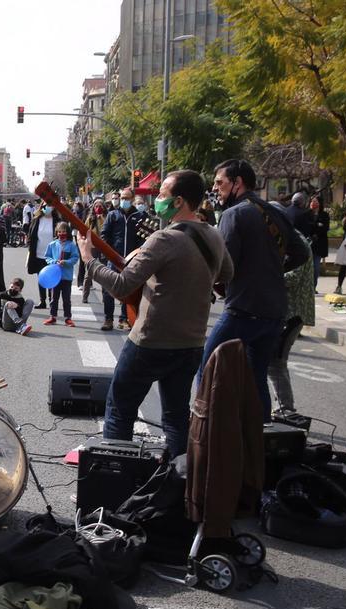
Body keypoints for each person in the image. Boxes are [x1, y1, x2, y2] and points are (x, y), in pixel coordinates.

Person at [80, 170, 234, 456]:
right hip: (191, 343)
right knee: (176, 416)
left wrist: (89, 260)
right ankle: (180, 479)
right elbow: (227, 272)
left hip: (151, 341)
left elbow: (122, 285)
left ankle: (118, 474)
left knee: (119, 408)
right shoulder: (212, 235)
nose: (157, 200)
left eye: (162, 195)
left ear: (178, 201)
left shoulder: (164, 239)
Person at [202, 159, 309, 420]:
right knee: (256, 377)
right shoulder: (273, 211)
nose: (216, 189)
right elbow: (301, 253)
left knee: (207, 370)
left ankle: (205, 433)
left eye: (220, 183)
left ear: (237, 183)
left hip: (243, 309)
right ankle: (262, 437)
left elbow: (224, 265)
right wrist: (271, 272)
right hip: (274, 311)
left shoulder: (233, 214)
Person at [268, 231, 315, 411]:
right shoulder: (290, 239)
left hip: (291, 312)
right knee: (273, 362)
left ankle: (285, 409)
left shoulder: (295, 242)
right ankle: (283, 408)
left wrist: (263, 275)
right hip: (287, 311)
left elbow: (293, 277)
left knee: (275, 362)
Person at [99, 187, 146, 330]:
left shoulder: (139, 216)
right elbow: (104, 235)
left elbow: (144, 238)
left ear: (132, 199)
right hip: (113, 259)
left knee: (129, 290)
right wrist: (108, 252)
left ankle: (124, 319)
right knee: (108, 289)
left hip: (131, 260)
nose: (124, 200)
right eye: (122, 198)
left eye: (127, 198)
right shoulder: (113, 215)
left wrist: (138, 254)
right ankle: (108, 319)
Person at [42, 223, 80, 327]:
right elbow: (47, 257)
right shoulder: (52, 244)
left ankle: (68, 318)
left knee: (66, 299)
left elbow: (75, 258)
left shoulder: (71, 245)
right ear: (56, 233)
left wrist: (66, 262)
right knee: (54, 298)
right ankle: (52, 316)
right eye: (59, 231)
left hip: (66, 277)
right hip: (55, 277)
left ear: (67, 232)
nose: (61, 233)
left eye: (64, 231)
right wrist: (54, 262)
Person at [27, 202, 59, 310]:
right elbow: (31, 235)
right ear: (42, 207)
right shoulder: (36, 220)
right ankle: (42, 301)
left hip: (52, 255)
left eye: (50, 205)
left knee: (51, 278)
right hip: (38, 254)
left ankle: (52, 300)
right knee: (41, 278)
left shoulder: (57, 221)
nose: (47, 208)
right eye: (45, 206)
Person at [80, 199, 107, 303]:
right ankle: (85, 296)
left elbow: (107, 229)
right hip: (93, 247)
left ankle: (105, 297)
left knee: (105, 273)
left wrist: (102, 218)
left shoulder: (107, 217)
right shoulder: (90, 218)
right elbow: (85, 230)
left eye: (100, 206)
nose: (98, 208)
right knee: (89, 272)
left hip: (104, 247)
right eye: (96, 206)